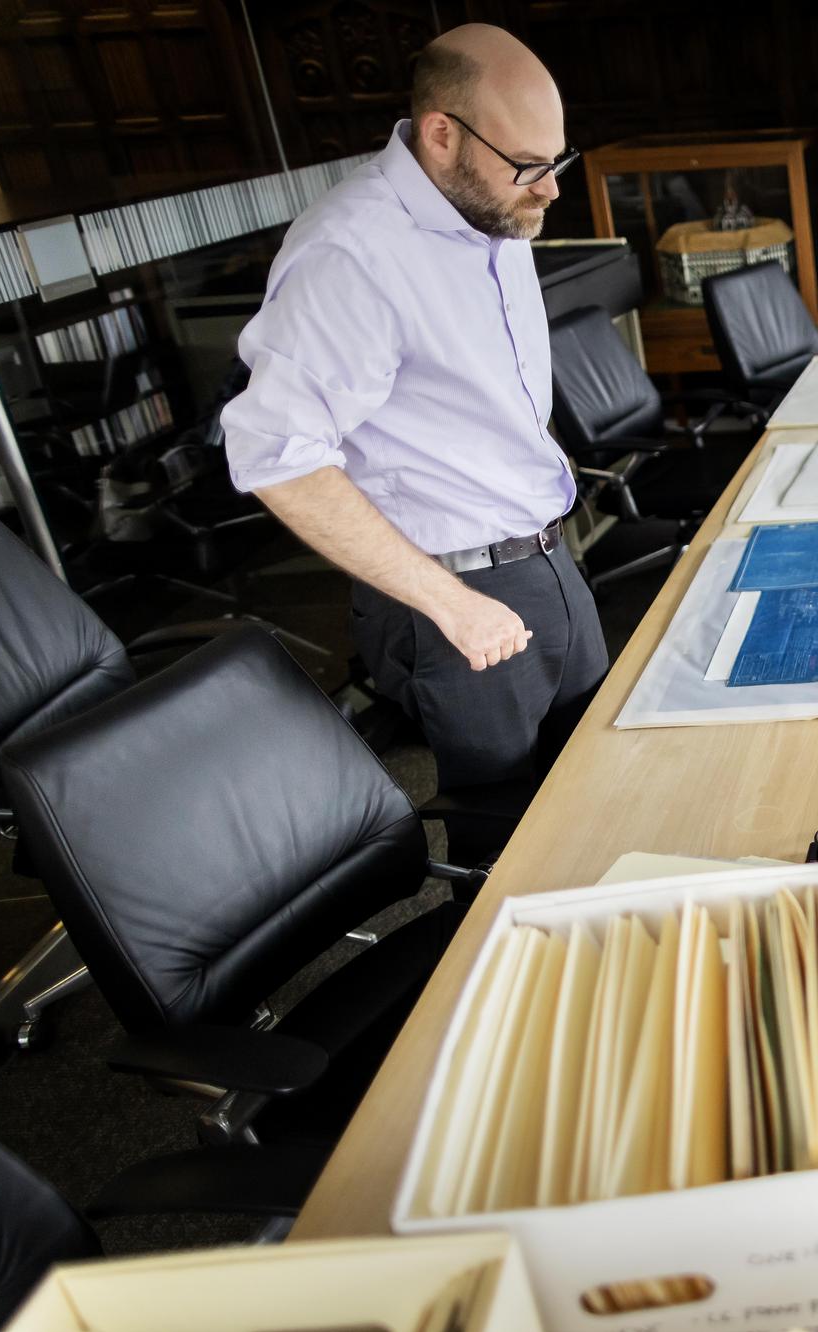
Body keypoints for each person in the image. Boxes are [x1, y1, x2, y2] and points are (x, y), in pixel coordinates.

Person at [222, 24, 603, 791]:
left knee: (597, 795)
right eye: (531, 165)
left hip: (551, 562)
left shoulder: (492, 209)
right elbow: (276, 454)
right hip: (456, 597)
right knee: (506, 852)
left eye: (556, 159)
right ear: (441, 135)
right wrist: (450, 604)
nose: (552, 187)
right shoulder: (352, 252)